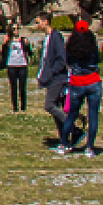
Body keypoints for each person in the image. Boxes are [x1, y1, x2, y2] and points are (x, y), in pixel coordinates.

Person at [57, 19, 103, 157]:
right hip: (93, 81)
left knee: (71, 114)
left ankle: (64, 144)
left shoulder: (71, 48)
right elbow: (97, 60)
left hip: (77, 82)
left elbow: (69, 62)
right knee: (93, 116)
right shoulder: (92, 46)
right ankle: (89, 148)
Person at [34, 12, 70, 145]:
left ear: (46, 21)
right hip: (50, 78)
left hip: (57, 78)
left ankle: (73, 127)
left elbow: (62, 59)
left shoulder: (56, 36)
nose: (37, 25)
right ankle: (64, 140)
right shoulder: (47, 38)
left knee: (49, 105)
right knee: (55, 109)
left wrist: (51, 73)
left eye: (38, 22)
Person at [0, 23, 31, 112]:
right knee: (13, 87)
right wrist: (5, 44)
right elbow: (3, 54)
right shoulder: (9, 41)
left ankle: (23, 108)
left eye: (17, 29)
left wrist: (27, 45)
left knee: (22, 87)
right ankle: (15, 108)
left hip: (22, 65)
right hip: (11, 65)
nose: (16, 31)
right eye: (14, 29)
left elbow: (29, 53)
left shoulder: (23, 40)